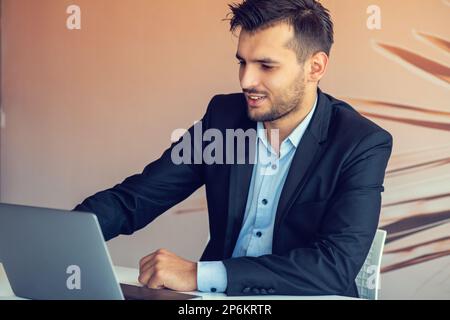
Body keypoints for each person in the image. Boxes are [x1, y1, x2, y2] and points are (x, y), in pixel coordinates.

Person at [74, 0, 393, 297]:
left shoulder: (360, 143)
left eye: (266, 66)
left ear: (315, 67)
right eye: (243, 62)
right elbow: (136, 200)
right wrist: (61, 240)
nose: (246, 80)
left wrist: (198, 275)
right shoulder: (224, 119)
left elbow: (334, 267)